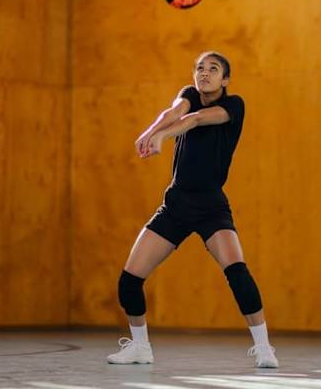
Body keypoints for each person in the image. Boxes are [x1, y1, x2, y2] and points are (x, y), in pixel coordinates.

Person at [106, 51, 279, 368]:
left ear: (224, 79)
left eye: (213, 69)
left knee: (237, 272)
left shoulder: (233, 105)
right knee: (129, 280)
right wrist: (148, 133)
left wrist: (160, 137)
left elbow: (194, 120)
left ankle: (264, 348)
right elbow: (174, 112)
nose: (205, 73)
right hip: (176, 205)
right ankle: (140, 347)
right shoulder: (188, 95)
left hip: (211, 206)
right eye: (200, 68)